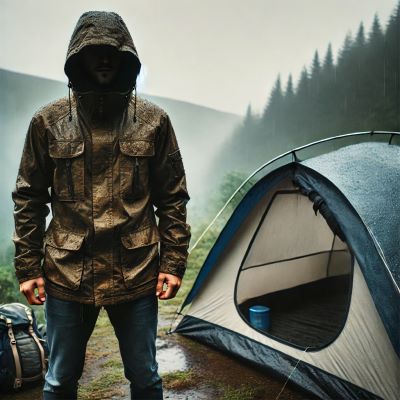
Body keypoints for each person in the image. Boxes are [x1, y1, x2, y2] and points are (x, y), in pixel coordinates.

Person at [12, 11, 191, 400]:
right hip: (67, 274)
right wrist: (28, 267)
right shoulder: (47, 122)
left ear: (128, 56)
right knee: (59, 380)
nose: (105, 59)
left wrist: (173, 262)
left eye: (113, 51)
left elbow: (172, 197)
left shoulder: (154, 121)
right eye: (94, 51)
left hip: (137, 271)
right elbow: (28, 197)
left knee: (145, 377)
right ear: (78, 57)